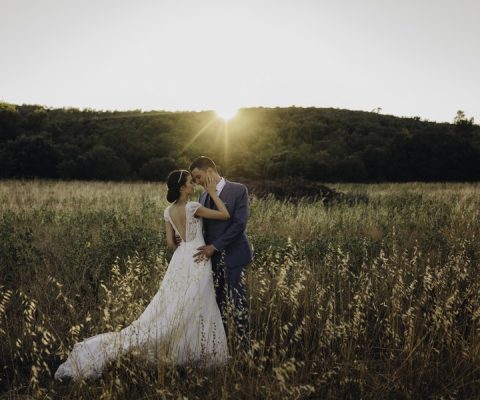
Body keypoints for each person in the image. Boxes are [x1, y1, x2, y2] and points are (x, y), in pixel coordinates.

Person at [54, 170, 230, 381]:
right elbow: (225, 215)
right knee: (199, 304)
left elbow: (170, 244)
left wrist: (181, 237)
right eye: (191, 182)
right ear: (183, 188)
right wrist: (212, 193)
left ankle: (185, 350)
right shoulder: (193, 207)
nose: (194, 185)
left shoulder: (168, 211)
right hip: (197, 259)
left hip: (180, 258)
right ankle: (198, 353)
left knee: (174, 305)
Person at [189, 156, 253, 350]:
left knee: (238, 302)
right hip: (212, 260)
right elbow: (202, 228)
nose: (198, 182)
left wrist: (214, 246)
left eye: (198, 176)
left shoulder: (238, 190)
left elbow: (239, 225)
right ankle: (223, 348)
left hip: (235, 256)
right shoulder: (202, 197)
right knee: (217, 305)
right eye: (195, 179)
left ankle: (245, 349)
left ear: (209, 171)